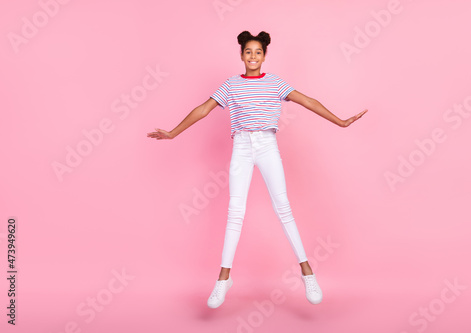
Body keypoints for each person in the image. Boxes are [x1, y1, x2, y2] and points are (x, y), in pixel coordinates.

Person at [147, 30, 367, 309]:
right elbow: (203, 109)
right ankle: (223, 279)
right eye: (248, 52)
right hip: (241, 146)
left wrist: (341, 121)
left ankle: (307, 271)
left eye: (258, 52)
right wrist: (173, 133)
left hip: (267, 145)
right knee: (235, 211)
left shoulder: (275, 83)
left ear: (264, 56)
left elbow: (308, 101)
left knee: (283, 207)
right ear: (241, 55)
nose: (253, 56)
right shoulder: (230, 85)